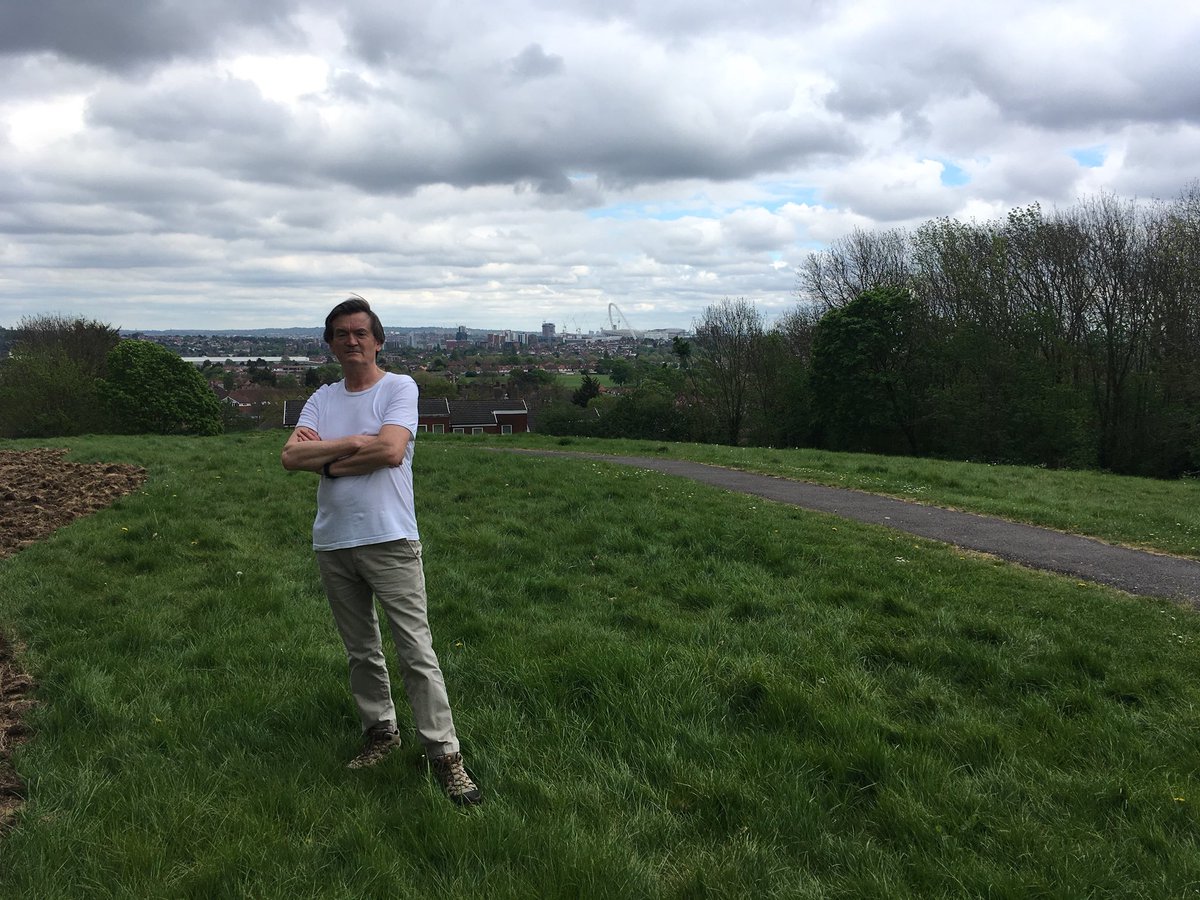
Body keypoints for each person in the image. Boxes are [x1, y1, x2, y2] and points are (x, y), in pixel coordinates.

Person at [281, 295, 481, 806]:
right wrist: (353, 445)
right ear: (330, 344)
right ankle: (381, 733)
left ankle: (445, 756)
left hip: (391, 538)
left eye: (360, 333)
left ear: (378, 340)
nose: (351, 341)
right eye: (341, 334)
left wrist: (325, 456)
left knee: (416, 651)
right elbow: (290, 456)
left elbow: (392, 450)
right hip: (333, 540)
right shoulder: (322, 397)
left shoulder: (399, 386)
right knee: (361, 651)